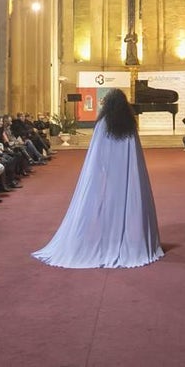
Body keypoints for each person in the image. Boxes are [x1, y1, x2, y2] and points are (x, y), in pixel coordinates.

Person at [33, 89, 163, 268]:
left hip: (107, 174)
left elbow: (97, 153)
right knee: (124, 205)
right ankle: (126, 239)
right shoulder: (129, 124)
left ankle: (107, 238)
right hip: (127, 175)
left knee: (106, 207)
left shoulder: (102, 123)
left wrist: (99, 173)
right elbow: (134, 156)